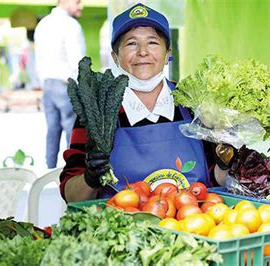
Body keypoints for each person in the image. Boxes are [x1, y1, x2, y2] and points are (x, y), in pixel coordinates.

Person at [60, 3, 231, 202]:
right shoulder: (97, 112)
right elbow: (71, 196)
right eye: (131, 43)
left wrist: (226, 161)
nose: (143, 52)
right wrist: (90, 178)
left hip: (192, 224)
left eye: (152, 42)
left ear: (168, 53)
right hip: (123, 229)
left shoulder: (194, 105)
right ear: (116, 57)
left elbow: (217, 179)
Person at [34, 0, 85, 168]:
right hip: (65, 84)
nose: (80, 6)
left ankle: (49, 171)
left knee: (52, 130)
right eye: (77, 2)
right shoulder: (70, 25)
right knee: (74, 130)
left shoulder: (43, 24)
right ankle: (73, 171)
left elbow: (38, 57)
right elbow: (77, 60)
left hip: (47, 84)